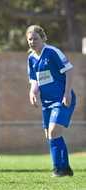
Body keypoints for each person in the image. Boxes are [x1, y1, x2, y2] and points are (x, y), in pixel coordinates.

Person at [26, 25, 75, 177]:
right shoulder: (31, 58)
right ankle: (65, 168)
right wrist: (32, 92)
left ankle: (58, 169)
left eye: (35, 38)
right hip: (46, 102)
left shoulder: (52, 52)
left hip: (61, 99)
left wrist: (67, 94)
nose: (32, 42)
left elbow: (69, 71)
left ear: (43, 38)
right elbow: (35, 79)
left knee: (54, 131)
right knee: (50, 135)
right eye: (30, 39)